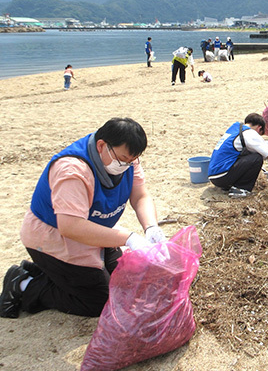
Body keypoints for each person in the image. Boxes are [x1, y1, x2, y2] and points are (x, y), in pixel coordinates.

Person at [0, 118, 164, 319]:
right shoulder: (73, 170)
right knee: (99, 301)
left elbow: (140, 195)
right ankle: (23, 285)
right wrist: (128, 237)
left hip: (93, 230)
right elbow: (70, 227)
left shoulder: (127, 160)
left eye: (132, 161)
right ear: (102, 145)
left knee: (125, 278)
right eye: (122, 160)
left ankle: (45, 272)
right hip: (54, 237)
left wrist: (150, 227)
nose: (126, 165)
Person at [207, 113, 268, 198]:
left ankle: (230, 185)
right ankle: (241, 189)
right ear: (259, 128)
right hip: (222, 176)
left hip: (213, 176)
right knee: (257, 158)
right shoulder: (250, 133)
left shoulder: (235, 128)